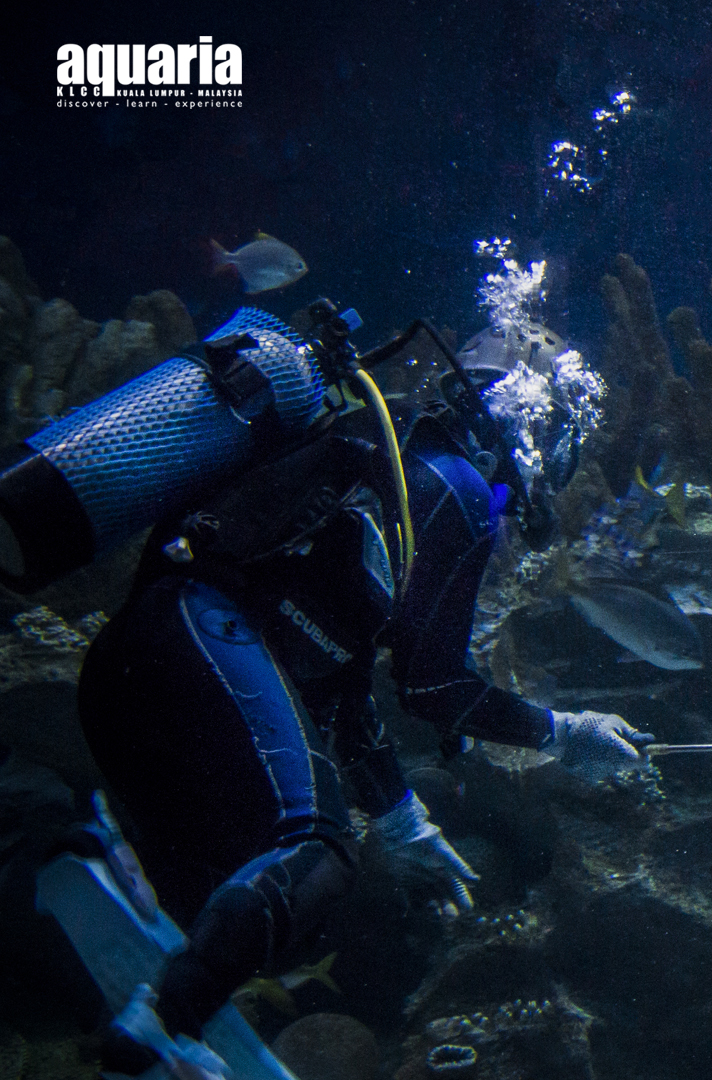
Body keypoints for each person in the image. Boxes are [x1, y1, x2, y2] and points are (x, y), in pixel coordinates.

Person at [77, 317, 647, 1075]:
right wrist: (562, 731)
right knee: (317, 851)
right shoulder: (456, 491)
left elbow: (339, 674)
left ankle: (90, 850)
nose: (553, 469)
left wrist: (401, 819)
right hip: (197, 640)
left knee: (265, 877)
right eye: (559, 441)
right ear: (523, 421)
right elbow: (434, 685)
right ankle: (163, 1024)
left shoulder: (382, 455)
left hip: (138, 667)